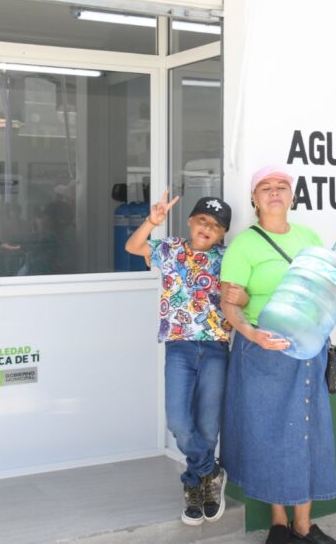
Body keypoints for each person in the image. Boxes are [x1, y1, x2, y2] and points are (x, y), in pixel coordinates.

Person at [220, 165, 336, 544]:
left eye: (282, 187)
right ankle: (279, 522)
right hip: (262, 350)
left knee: (307, 432)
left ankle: (303, 525)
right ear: (254, 198)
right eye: (266, 188)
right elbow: (229, 303)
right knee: (271, 434)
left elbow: (325, 285)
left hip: (308, 348)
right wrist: (252, 334)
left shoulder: (308, 236)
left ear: (292, 195)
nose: (275, 193)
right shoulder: (244, 245)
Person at [125, 190, 234, 527]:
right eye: (202, 220)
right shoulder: (170, 249)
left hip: (216, 348)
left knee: (207, 427)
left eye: (215, 225)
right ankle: (211, 472)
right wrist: (151, 221)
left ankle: (196, 486)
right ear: (190, 221)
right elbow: (133, 247)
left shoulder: (228, 258)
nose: (207, 228)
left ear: (222, 234)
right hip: (179, 348)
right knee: (178, 422)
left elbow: (243, 291)